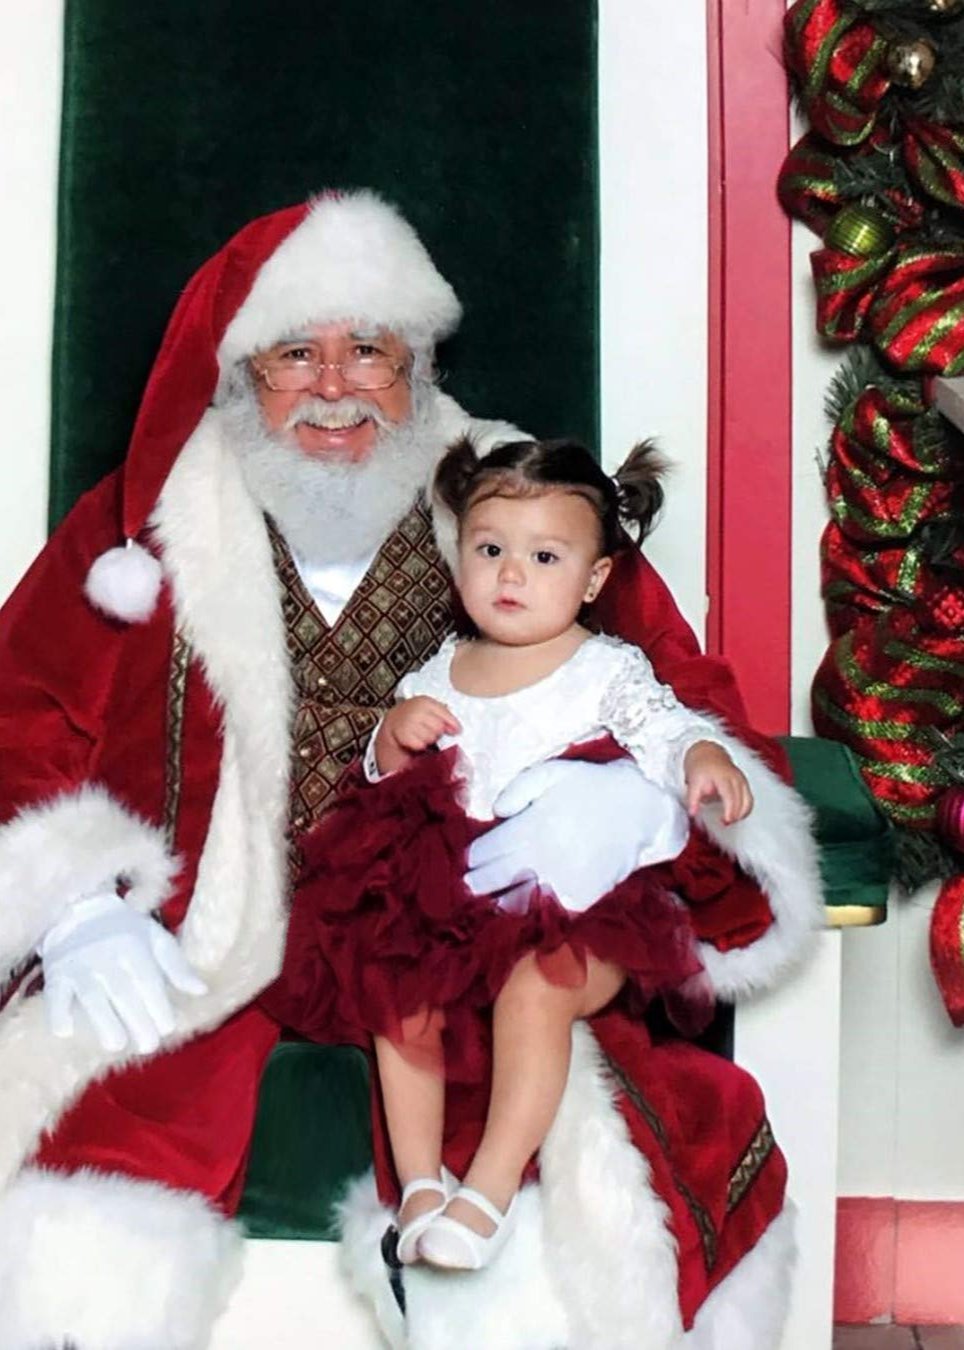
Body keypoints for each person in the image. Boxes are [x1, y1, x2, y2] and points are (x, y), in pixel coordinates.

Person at [0, 190, 821, 1350]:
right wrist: (76, 903)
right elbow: (17, 706)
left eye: (369, 352)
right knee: (82, 1175)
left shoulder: (518, 506)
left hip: (459, 925)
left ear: (418, 365)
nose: (334, 388)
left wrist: (638, 804)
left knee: (561, 1192)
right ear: (242, 375)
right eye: (296, 354)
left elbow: (682, 692)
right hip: (204, 931)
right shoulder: (142, 523)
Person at [278, 435, 754, 1273]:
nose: (511, 576)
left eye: (544, 557)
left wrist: (704, 757)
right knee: (397, 982)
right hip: (457, 896)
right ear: (459, 554)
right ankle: (420, 1185)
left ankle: (488, 1191)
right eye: (490, 550)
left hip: (576, 908)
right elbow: (380, 776)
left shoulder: (605, 668)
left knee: (538, 992)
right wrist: (391, 738)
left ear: (594, 580)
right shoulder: (443, 667)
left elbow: (666, 728)